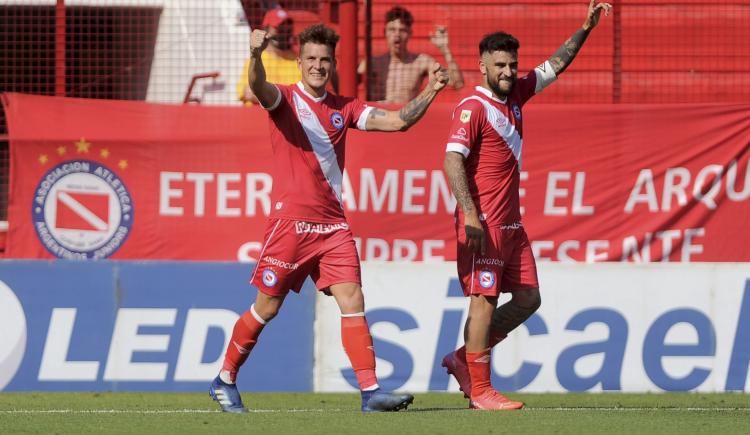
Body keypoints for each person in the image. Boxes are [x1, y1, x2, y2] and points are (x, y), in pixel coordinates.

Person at [210, 23, 450, 413]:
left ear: (334, 63)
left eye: (324, 60)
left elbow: (398, 121)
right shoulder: (284, 100)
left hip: (333, 227)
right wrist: (255, 56)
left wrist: (431, 90)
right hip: (290, 225)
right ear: (300, 63)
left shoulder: (346, 108)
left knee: (352, 297)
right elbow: (258, 85)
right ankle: (224, 379)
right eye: (311, 59)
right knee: (267, 308)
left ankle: (371, 393)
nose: (317, 66)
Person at [441, 0, 612, 410]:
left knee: (528, 299)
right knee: (483, 301)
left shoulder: (517, 93)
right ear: (483, 66)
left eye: (511, 64)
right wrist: (469, 214)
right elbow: (451, 160)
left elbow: (556, 64)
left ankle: (464, 359)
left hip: (512, 226)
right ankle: (480, 389)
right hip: (483, 223)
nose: (506, 71)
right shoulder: (472, 108)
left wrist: (585, 27)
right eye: (499, 65)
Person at [361, 5, 464, 103]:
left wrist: (445, 49)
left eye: (402, 30)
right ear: (384, 32)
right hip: (377, 118)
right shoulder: (372, 63)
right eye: (392, 30)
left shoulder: (421, 62)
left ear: (410, 33)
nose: (397, 35)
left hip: (405, 119)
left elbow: (458, 84)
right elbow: (346, 84)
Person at [236, 7, 301, 105]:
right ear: (266, 29)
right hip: (255, 116)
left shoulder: (298, 61)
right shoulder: (256, 58)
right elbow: (247, 92)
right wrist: (283, 97)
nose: (284, 31)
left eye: (288, 27)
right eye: (279, 28)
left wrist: (266, 95)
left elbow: (301, 96)